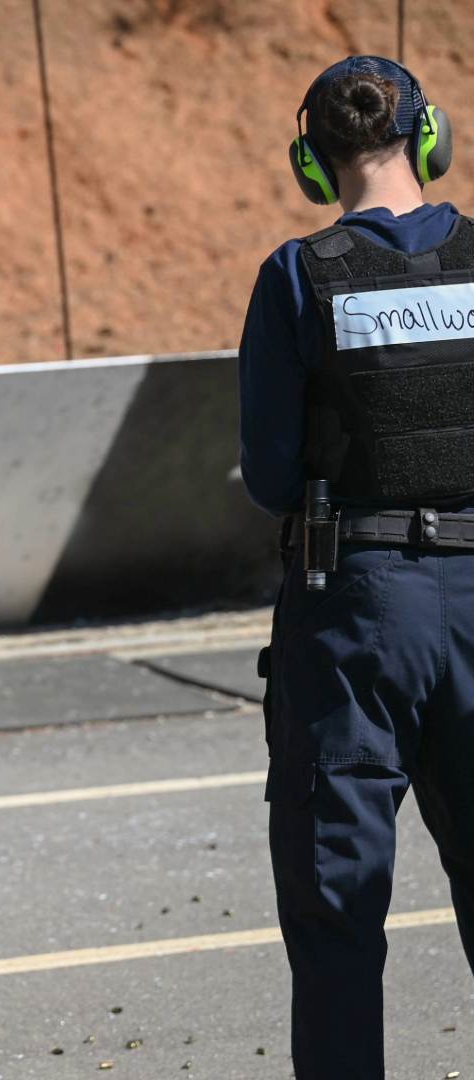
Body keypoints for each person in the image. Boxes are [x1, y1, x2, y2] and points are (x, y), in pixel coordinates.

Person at [244, 56, 470, 1078]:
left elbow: (272, 475)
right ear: (430, 138)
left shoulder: (299, 275)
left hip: (355, 616)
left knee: (339, 920)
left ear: (311, 159)